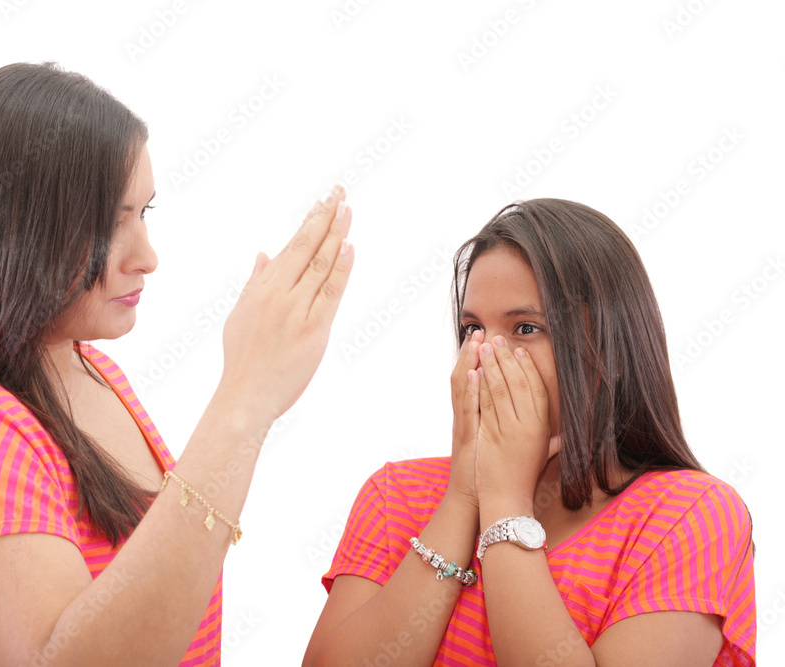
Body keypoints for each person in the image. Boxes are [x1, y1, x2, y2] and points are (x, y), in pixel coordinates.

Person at [0, 61, 355, 666]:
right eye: (111, 224)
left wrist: (253, 397)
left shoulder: (91, 370)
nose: (147, 257)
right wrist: (244, 399)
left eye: (144, 213)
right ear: (13, 228)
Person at [303, 199, 755, 666]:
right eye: (473, 328)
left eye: (525, 327)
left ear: (607, 347)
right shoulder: (396, 494)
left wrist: (506, 502)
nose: (485, 354)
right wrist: (464, 496)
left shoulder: (689, 515)